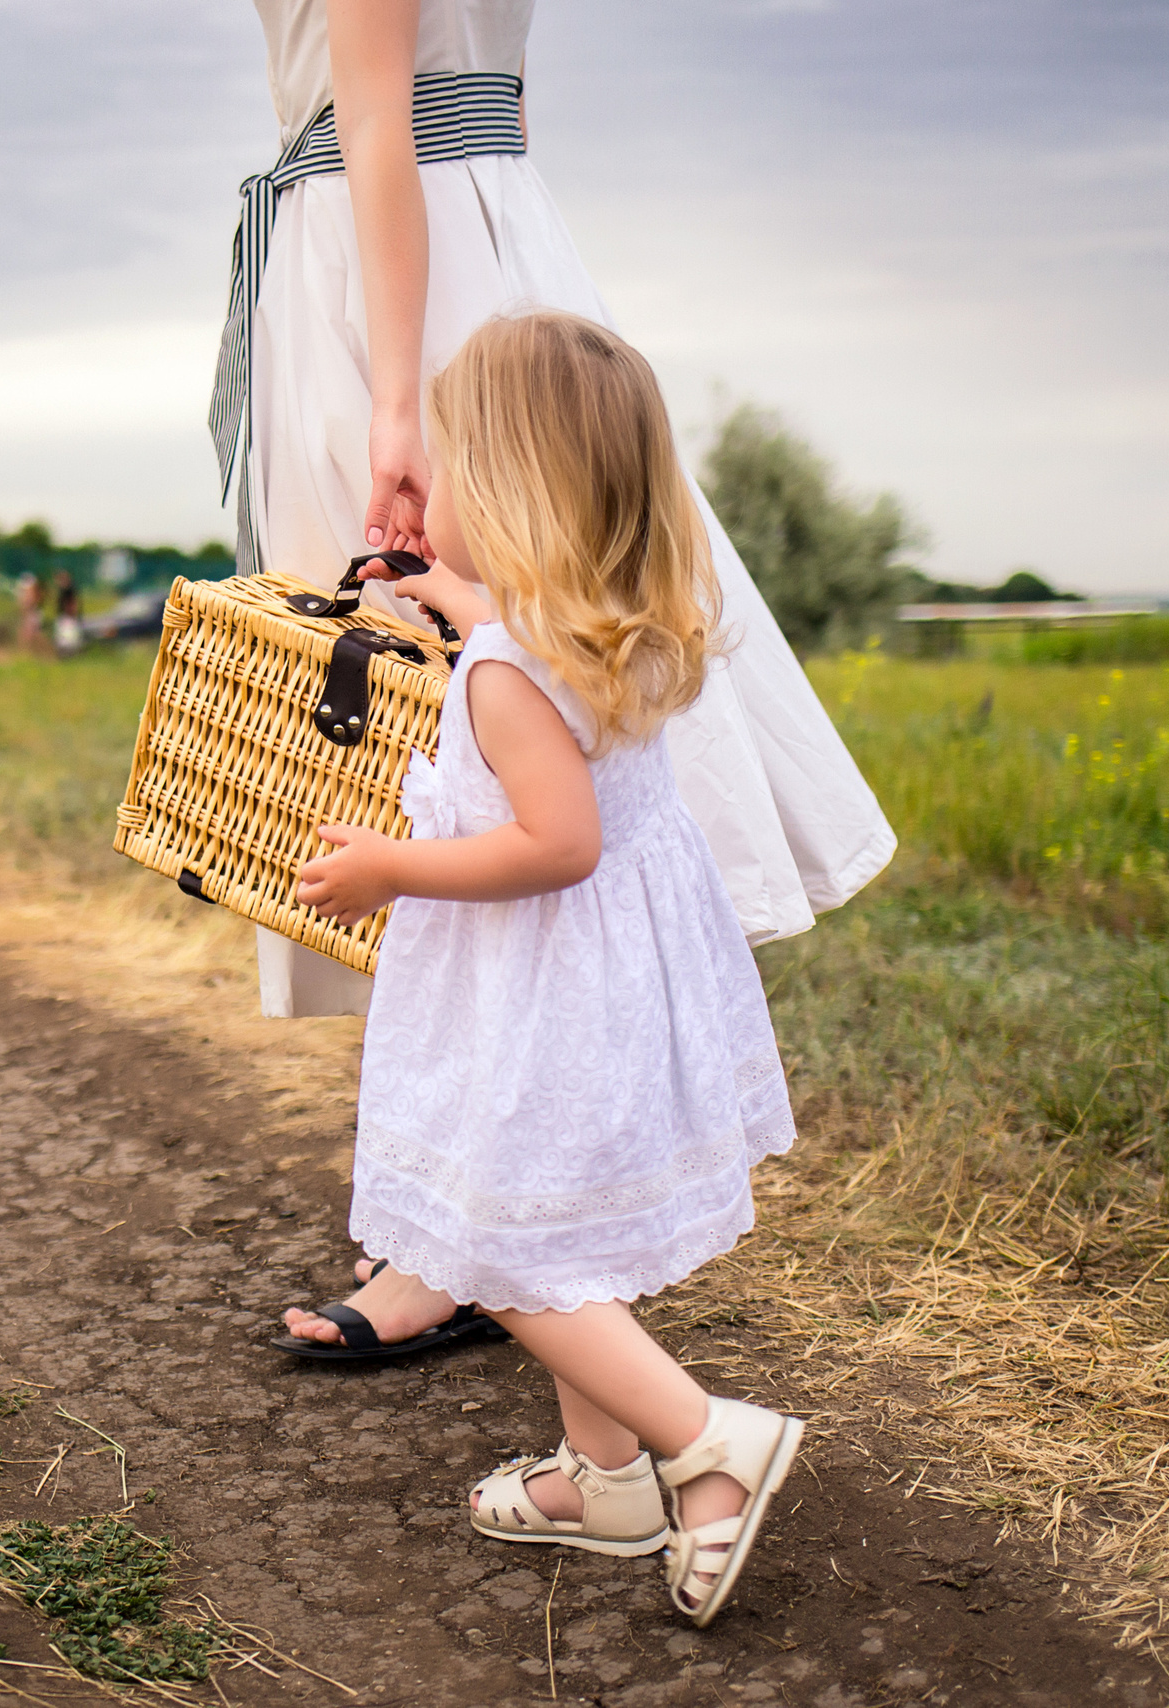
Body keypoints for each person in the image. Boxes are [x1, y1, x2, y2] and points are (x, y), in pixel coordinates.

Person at [226, 0, 895, 1355]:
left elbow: (378, 116)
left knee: (423, 742)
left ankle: (454, 1236)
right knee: (504, 677)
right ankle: (471, 1201)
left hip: (383, 263)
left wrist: (396, 405)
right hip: (485, 227)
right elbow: (503, 101)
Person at [292, 311, 801, 1626]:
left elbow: (555, 843)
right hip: (615, 987)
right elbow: (523, 669)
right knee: (562, 1229)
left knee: (501, 1251)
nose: (437, 494)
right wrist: (462, 607)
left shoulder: (507, 676)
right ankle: (609, 1480)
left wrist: (390, 869)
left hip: (541, 992)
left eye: (456, 471)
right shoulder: (590, 631)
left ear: (513, 496)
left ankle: (707, 1442)